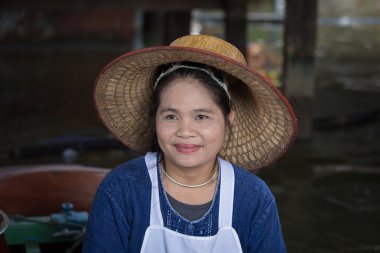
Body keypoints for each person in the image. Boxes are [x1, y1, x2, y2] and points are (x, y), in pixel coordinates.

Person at [82, 34, 297, 253]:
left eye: (201, 116)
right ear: (155, 117)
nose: (185, 132)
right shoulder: (122, 189)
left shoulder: (253, 198)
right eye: (171, 116)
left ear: (228, 118)